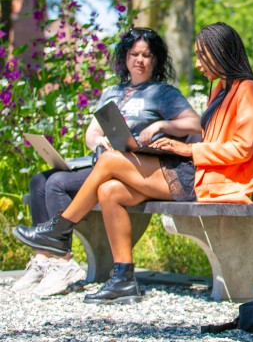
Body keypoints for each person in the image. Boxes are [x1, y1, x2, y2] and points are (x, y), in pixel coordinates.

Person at [13, 22, 253, 304]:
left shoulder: (249, 90)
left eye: (202, 55)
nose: (198, 64)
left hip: (214, 181)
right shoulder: (221, 88)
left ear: (219, 53)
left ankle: (59, 230)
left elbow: (242, 149)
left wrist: (186, 150)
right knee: (109, 190)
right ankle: (123, 278)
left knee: (112, 160)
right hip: (199, 173)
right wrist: (174, 150)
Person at [13, 28, 201, 297]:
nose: (140, 60)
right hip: (110, 161)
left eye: (147, 55)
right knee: (41, 181)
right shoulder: (113, 91)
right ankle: (47, 260)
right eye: (134, 54)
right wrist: (96, 142)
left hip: (140, 167)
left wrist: (162, 123)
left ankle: (60, 252)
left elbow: (194, 124)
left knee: (56, 182)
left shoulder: (162, 93)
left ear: (156, 60)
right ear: (124, 58)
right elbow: (93, 131)